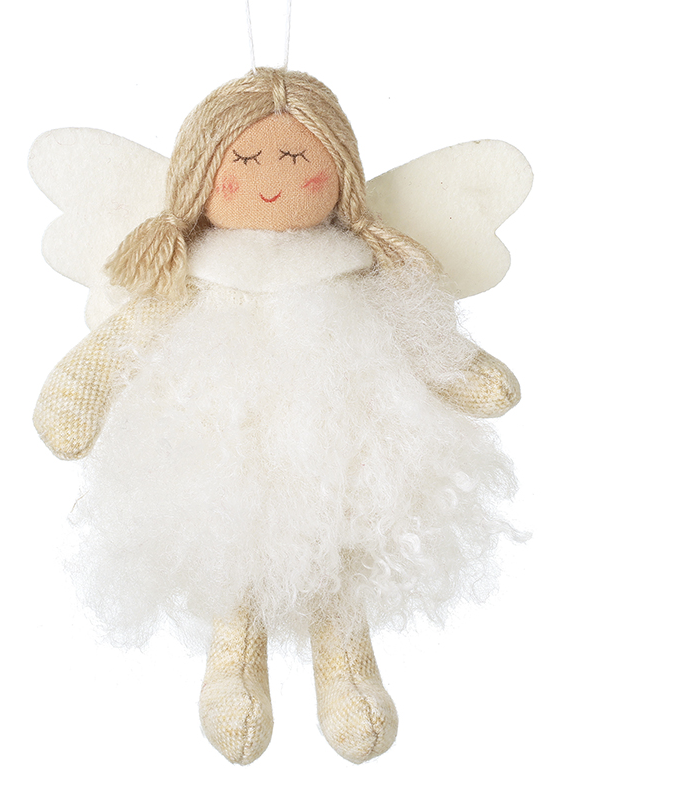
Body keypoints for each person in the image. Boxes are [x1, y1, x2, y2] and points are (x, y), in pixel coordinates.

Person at [34, 67, 521, 765]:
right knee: (233, 558)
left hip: (341, 454)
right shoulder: (192, 274)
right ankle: (231, 676)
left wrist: (473, 376)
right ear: (201, 174)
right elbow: (121, 339)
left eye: (296, 159)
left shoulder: (356, 266)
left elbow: (422, 334)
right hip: (224, 455)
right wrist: (75, 398)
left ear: (339, 171)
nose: (271, 180)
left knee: (340, 559)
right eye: (246, 162)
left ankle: (347, 677)